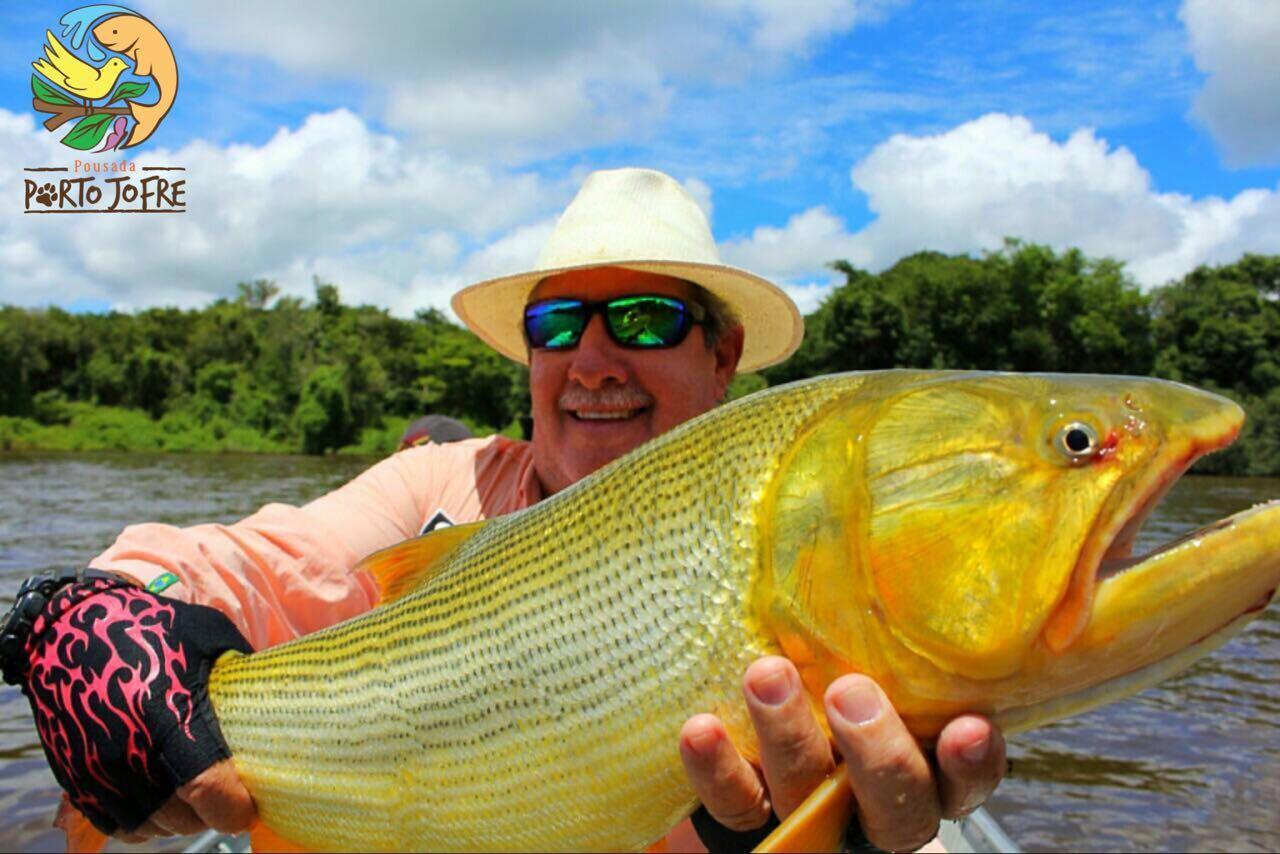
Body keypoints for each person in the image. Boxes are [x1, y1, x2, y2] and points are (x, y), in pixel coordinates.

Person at [1, 168, 1005, 852]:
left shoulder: (811, 525)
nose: (594, 358)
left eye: (646, 317)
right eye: (557, 321)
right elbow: (253, 563)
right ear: (528, 354)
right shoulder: (438, 483)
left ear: (722, 354)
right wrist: (91, 609)